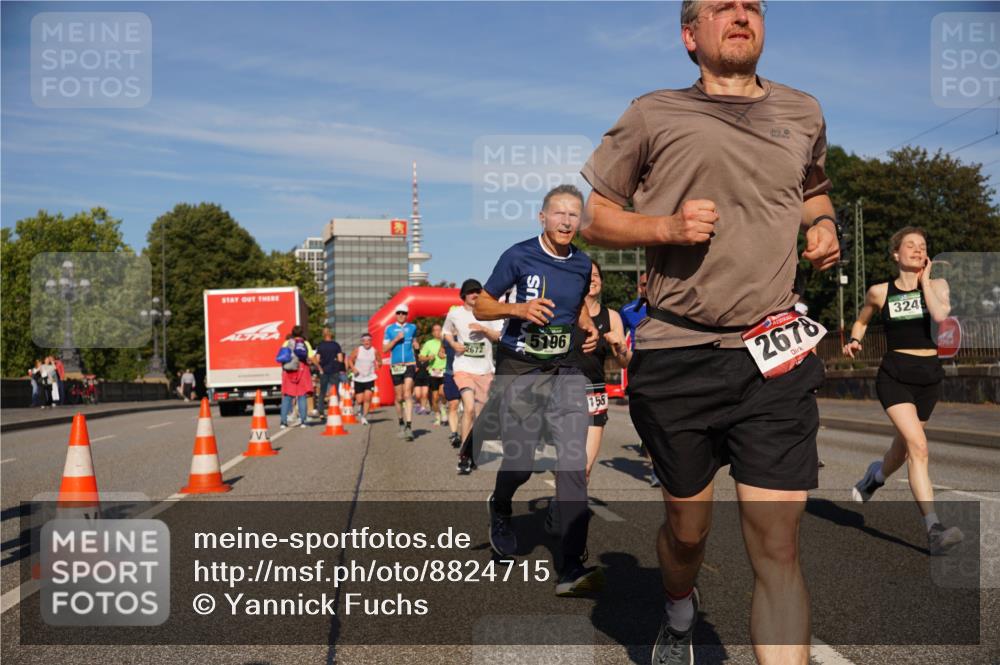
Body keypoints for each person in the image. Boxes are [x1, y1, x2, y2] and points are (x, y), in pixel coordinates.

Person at [580, 1, 841, 661]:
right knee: (687, 531)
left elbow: (814, 189)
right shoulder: (652, 113)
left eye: (751, 4)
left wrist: (823, 223)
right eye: (721, 6)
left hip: (773, 352)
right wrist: (664, 227)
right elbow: (597, 218)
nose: (741, 12)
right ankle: (677, 609)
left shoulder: (803, 111)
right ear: (689, 36)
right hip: (677, 350)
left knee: (778, 544)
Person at [475, 184, 602, 597]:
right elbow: (482, 304)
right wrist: (518, 309)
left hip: (565, 370)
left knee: (572, 463)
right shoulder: (519, 255)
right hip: (521, 368)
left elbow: (580, 303)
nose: (567, 221)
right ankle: (500, 504)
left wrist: (587, 328)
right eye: (559, 213)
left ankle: (570, 566)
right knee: (523, 461)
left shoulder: (582, 264)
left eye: (573, 215)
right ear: (542, 217)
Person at [844, 227, 963, 555]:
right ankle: (934, 530)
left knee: (904, 450)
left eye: (922, 245)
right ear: (895, 254)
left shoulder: (939, 286)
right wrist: (855, 339)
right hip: (895, 375)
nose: (917, 249)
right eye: (909, 245)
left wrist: (925, 281)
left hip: (929, 377)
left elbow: (940, 315)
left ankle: (875, 476)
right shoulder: (879, 292)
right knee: (919, 448)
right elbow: (862, 321)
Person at [568, 260, 633, 481]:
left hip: (594, 393)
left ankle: (569, 513)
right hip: (564, 391)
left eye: (597, 275)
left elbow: (626, 363)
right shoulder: (566, 314)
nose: (593, 279)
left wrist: (621, 347)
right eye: (588, 275)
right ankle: (565, 510)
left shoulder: (612, 317)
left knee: (584, 468)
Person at [444, 279, 503, 457]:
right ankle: (464, 450)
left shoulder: (489, 313)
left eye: (478, 291)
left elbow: (499, 336)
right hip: (463, 367)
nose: (475, 294)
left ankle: (473, 446)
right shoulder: (455, 314)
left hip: (485, 370)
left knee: (480, 413)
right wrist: (453, 345)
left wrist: (484, 330)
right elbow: (446, 332)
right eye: (471, 292)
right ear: (463, 295)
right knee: (468, 407)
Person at [383, 304, 419, 441]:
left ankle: (409, 426)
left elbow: (415, 340)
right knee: (399, 397)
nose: (401, 315)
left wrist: (416, 345)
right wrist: (396, 339)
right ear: (395, 314)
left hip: (410, 363)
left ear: (407, 314)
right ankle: (401, 422)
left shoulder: (412, 327)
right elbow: (385, 349)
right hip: (396, 365)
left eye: (404, 313)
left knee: (407, 393)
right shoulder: (390, 329)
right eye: (399, 313)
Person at [279, 326, 318, 429]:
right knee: (302, 396)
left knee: (287, 396)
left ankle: (283, 422)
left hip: (289, 371)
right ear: (302, 333)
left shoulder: (287, 343)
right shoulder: (305, 343)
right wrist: (319, 367)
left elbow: (282, 356)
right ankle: (303, 421)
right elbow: (311, 357)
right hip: (302, 370)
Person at [439, 321, 463, 448]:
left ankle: (466, 433)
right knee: (453, 404)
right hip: (450, 373)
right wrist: (441, 354)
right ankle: (454, 434)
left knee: (468, 408)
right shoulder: (446, 337)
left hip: (466, 374)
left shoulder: (466, 336)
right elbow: (441, 352)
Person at [348, 333, 381, 425]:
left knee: (368, 398)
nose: (366, 342)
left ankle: (364, 417)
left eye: (368, 340)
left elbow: (379, 360)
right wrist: (353, 368)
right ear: (362, 342)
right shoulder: (358, 350)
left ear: (371, 341)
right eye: (364, 340)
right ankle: (359, 406)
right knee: (360, 400)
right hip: (358, 378)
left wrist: (379, 364)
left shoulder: (374, 351)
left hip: (370, 378)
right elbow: (350, 360)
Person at [419, 324, 448, 426]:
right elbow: (421, 357)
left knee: (443, 393)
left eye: (439, 330)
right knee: (434, 398)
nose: (438, 332)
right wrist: (428, 358)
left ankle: (443, 408)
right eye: (435, 330)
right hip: (433, 373)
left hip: (444, 371)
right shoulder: (428, 344)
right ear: (432, 333)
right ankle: (437, 416)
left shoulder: (447, 342)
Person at [314, 328, 346, 415]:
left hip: (324, 371)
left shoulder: (320, 346)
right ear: (331, 335)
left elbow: (317, 359)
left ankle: (321, 412)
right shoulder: (336, 345)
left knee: (322, 392)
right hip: (334, 371)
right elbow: (340, 359)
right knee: (335, 391)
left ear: (323, 335)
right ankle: (337, 409)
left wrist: (320, 368)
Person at [413, 335, 431, 415]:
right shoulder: (416, 354)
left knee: (424, 394)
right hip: (417, 377)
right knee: (418, 395)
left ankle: (423, 408)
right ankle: (417, 404)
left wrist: (430, 366)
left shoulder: (428, 356)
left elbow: (432, 364)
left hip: (426, 376)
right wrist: (414, 367)